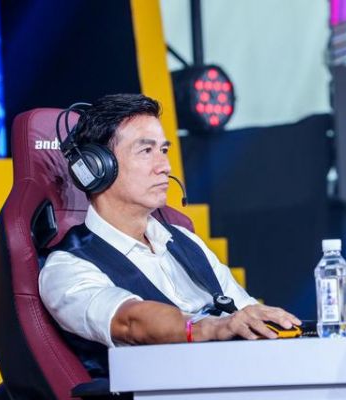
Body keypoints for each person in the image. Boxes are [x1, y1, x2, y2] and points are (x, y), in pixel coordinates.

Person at [38, 93, 300, 377]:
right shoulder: (67, 268)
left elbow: (244, 311)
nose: (165, 166)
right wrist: (212, 327)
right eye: (146, 151)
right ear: (95, 167)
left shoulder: (185, 240)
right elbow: (131, 321)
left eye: (163, 150)